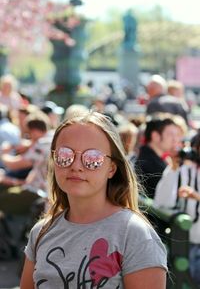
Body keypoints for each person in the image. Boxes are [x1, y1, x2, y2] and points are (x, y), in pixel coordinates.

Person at [20, 111, 167, 289]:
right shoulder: (41, 232)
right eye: (65, 155)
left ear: (112, 168)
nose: (76, 166)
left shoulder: (135, 234)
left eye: (92, 158)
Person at [154, 131, 200, 286]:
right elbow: (161, 202)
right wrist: (173, 168)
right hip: (189, 240)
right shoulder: (182, 170)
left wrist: (196, 196)